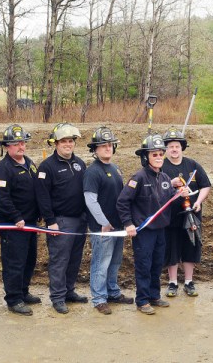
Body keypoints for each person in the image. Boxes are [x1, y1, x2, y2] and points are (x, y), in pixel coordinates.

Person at [117, 134, 186, 315]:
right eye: (154, 154)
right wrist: (128, 224)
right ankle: (142, 300)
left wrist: (181, 193)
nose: (158, 157)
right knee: (144, 266)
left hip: (161, 230)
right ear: (145, 157)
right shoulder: (138, 178)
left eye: (160, 154)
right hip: (144, 232)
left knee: (157, 265)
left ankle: (154, 296)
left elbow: (169, 199)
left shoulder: (164, 178)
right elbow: (122, 202)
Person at [35, 122, 88, 314]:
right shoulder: (47, 167)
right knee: (60, 261)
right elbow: (42, 197)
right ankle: (57, 297)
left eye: (71, 141)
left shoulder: (80, 164)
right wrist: (51, 221)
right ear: (56, 143)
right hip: (60, 221)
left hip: (79, 221)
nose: (68, 144)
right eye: (64, 141)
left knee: (75, 259)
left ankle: (69, 291)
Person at [84, 127, 134, 315]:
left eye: (110, 145)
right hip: (103, 228)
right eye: (102, 145)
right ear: (95, 150)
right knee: (101, 263)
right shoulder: (93, 172)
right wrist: (103, 222)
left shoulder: (115, 168)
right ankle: (99, 298)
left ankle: (112, 292)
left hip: (118, 226)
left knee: (114, 262)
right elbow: (90, 200)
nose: (107, 148)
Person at [0, 124, 41, 316]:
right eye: (16, 144)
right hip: (14, 225)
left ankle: (23, 291)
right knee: (14, 262)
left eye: (23, 143)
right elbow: (2, 198)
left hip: (30, 223)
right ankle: (13, 299)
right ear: (6, 146)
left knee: (29, 260)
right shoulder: (3, 169)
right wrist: (16, 217)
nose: (21, 147)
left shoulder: (29, 163)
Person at [161, 128, 211, 298]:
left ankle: (189, 282)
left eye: (177, 146)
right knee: (172, 248)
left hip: (192, 216)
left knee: (191, 247)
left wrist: (198, 202)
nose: (174, 149)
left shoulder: (193, 165)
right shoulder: (161, 167)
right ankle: (172, 283)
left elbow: (206, 185)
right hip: (170, 217)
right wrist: (169, 183)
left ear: (182, 147)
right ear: (165, 149)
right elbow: (155, 189)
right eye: (170, 146)